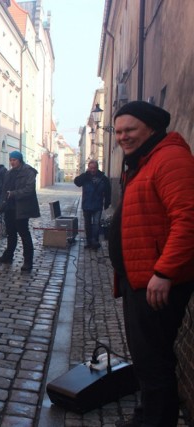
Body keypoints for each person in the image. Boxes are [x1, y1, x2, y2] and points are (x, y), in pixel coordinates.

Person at [108, 101, 194, 427]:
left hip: (156, 282)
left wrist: (164, 271)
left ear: (151, 128)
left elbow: (188, 219)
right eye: (118, 131)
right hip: (140, 278)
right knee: (146, 359)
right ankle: (146, 416)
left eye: (130, 129)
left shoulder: (170, 159)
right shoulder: (145, 160)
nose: (123, 137)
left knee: (154, 362)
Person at [0, 151, 40, 272]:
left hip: (22, 207)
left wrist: (14, 194)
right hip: (9, 207)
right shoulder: (9, 173)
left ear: (20, 160)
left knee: (24, 234)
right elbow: (4, 191)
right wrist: (0, 206)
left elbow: (29, 189)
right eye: (11, 160)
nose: (12, 162)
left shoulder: (29, 171)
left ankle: (28, 261)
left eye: (14, 160)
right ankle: (8, 256)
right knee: (11, 233)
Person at [74, 160, 111, 250]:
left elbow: (108, 191)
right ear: (88, 168)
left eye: (94, 168)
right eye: (90, 168)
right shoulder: (85, 177)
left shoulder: (103, 178)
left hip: (97, 204)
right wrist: (85, 175)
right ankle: (89, 241)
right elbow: (77, 182)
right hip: (86, 204)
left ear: (97, 168)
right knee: (87, 225)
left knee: (96, 224)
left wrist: (107, 202)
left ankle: (95, 241)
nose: (92, 170)